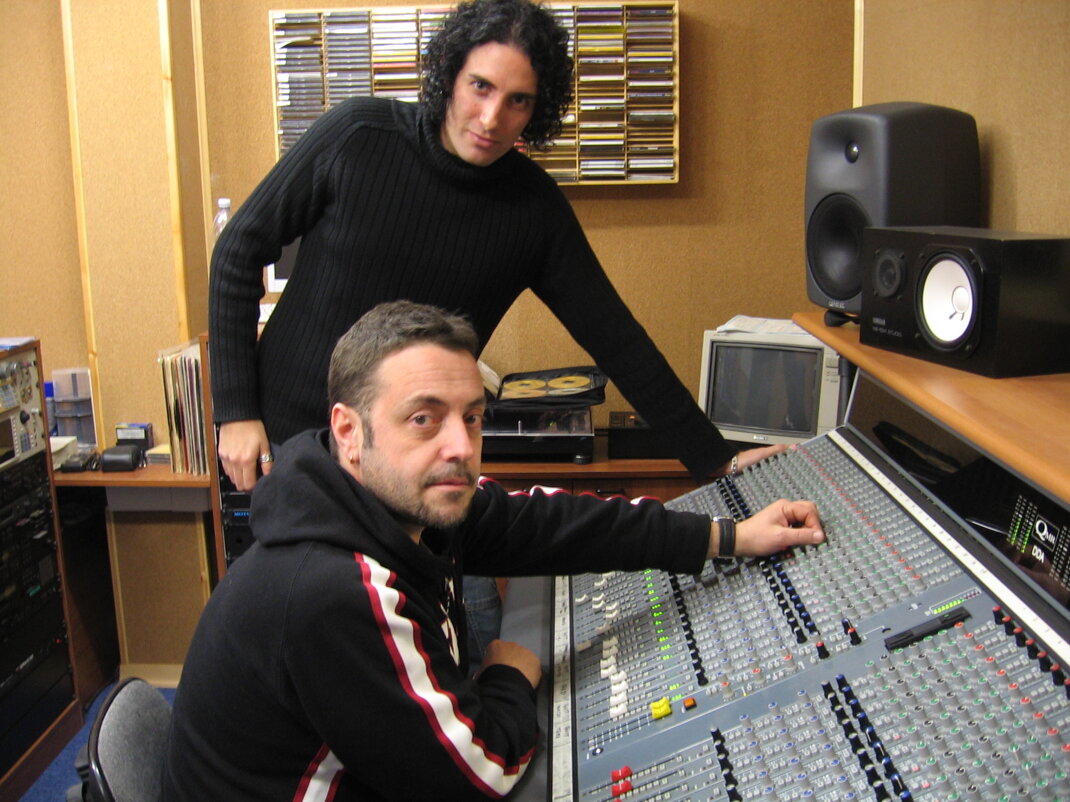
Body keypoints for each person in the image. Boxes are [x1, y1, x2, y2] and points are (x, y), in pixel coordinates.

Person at [208, 0, 781, 662]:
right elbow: (238, 250)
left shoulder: (534, 211)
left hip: (413, 466)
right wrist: (236, 411)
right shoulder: (356, 135)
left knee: (445, 646)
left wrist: (714, 459)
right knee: (305, 652)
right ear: (450, 74)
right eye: (480, 87)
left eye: (517, 101)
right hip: (287, 450)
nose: (490, 118)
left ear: (538, 110)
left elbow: (617, 339)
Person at [163, 301, 824, 801]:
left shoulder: (389, 502)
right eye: (423, 418)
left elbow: (556, 523)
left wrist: (727, 536)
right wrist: (509, 674)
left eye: (472, 417)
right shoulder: (334, 588)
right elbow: (478, 773)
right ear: (349, 431)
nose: (459, 446)